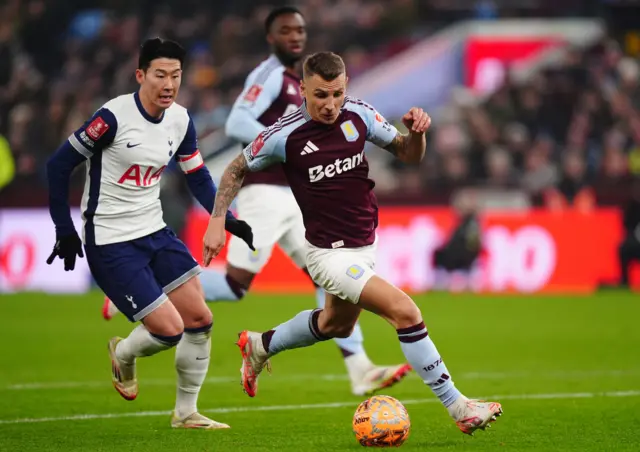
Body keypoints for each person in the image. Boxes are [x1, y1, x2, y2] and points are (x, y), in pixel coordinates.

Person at [109, 5, 411, 395]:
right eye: (286, 31)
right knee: (238, 285)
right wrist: (293, 144)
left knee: (333, 275)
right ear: (271, 38)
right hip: (266, 193)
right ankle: (145, 288)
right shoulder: (268, 76)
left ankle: (359, 367)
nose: (295, 38)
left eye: (300, 31)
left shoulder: (297, 81)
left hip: (295, 196)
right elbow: (237, 124)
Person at [202, 51, 503, 436]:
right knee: (405, 312)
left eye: (337, 94)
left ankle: (259, 345)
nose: (330, 105)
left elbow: (409, 154)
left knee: (335, 324)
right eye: (321, 95)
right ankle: (459, 406)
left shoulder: (359, 115)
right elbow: (236, 168)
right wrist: (216, 221)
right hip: (328, 255)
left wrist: (417, 133)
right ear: (303, 89)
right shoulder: (284, 134)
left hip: (364, 245)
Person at [46, 38, 253, 430]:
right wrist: (64, 228)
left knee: (200, 318)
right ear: (141, 75)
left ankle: (185, 413)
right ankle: (123, 353)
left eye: (176, 75)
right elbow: (58, 166)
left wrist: (225, 217)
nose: (169, 83)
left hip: (154, 231)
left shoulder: (181, 119)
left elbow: (197, 176)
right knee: (170, 329)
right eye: (160, 74)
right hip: (109, 239)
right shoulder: (111, 118)